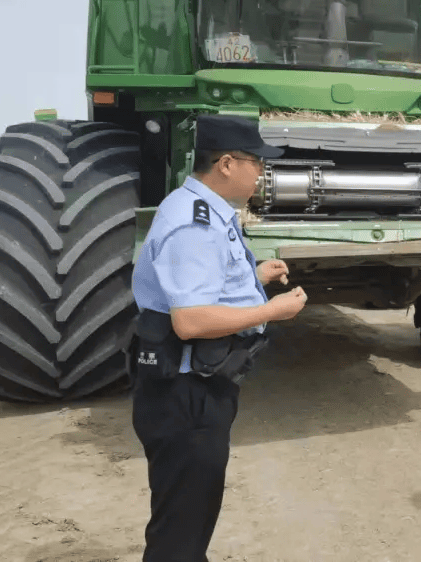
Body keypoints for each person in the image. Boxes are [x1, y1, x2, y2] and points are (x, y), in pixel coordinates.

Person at [129, 114, 309, 562]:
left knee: (189, 518)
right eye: (257, 163)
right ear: (227, 164)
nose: (262, 174)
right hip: (187, 394)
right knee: (180, 532)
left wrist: (254, 276)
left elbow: (206, 285)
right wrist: (273, 310)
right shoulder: (195, 223)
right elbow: (189, 321)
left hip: (196, 387)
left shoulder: (203, 209)